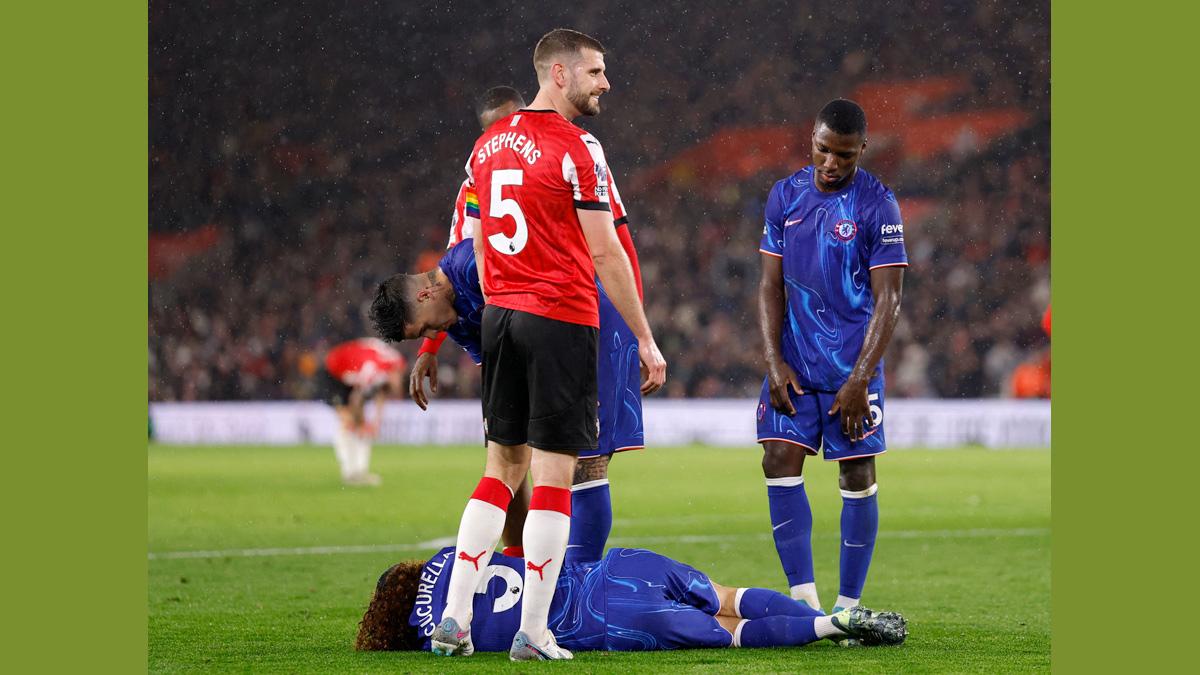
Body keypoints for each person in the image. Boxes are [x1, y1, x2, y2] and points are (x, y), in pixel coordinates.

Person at [428, 28, 667, 661]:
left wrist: (501, 305)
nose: (605, 83)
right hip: (559, 318)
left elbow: (473, 248)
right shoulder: (579, 147)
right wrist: (644, 338)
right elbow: (605, 249)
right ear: (557, 74)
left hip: (501, 319)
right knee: (556, 476)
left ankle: (454, 619)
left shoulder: (485, 147)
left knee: (500, 470)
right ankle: (534, 631)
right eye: (595, 72)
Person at [379, 87, 648, 569]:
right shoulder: (475, 182)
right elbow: (449, 282)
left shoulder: (573, 156)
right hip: (523, 323)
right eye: (493, 129)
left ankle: (574, 580)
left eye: (512, 121)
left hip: (583, 317)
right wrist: (432, 346)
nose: (507, 134)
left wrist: (634, 331)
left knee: (582, 461)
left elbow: (615, 246)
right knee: (507, 450)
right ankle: (526, 563)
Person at [756, 99, 907, 622]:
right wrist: (775, 362)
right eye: (823, 149)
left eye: (844, 154)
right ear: (812, 139)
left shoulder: (877, 205)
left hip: (852, 370)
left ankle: (848, 605)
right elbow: (769, 286)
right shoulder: (785, 195)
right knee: (777, 458)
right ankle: (804, 602)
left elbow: (889, 299)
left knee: (856, 472)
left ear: (861, 149)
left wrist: (861, 377)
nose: (831, 163)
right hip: (794, 363)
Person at [354, 546, 908, 654]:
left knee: (732, 632)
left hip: (606, 622)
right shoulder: (455, 554)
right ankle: (833, 617)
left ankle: (829, 630)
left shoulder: (439, 637)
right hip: (616, 568)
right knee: (729, 596)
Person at [320, 338, 406, 486]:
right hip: (333, 373)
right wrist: (361, 422)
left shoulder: (395, 362)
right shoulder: (372, 369)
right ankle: (350, 472)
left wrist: (376, 422)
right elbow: (356, 398)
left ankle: (359, 471)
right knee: (349, 422)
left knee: (361, 426)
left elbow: (382, 392)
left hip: (349, 370)